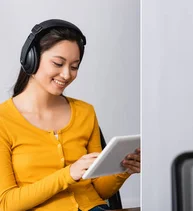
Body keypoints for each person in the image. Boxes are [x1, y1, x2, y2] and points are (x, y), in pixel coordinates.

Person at [0, 19, 141, 211]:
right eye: (58, 63)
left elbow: (100, 191)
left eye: (74, 67)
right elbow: (6, 204)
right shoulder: (3, 120)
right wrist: (68, 174)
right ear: (31, 59)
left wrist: (123, 169)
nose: (66, 75)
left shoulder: (85, 112)